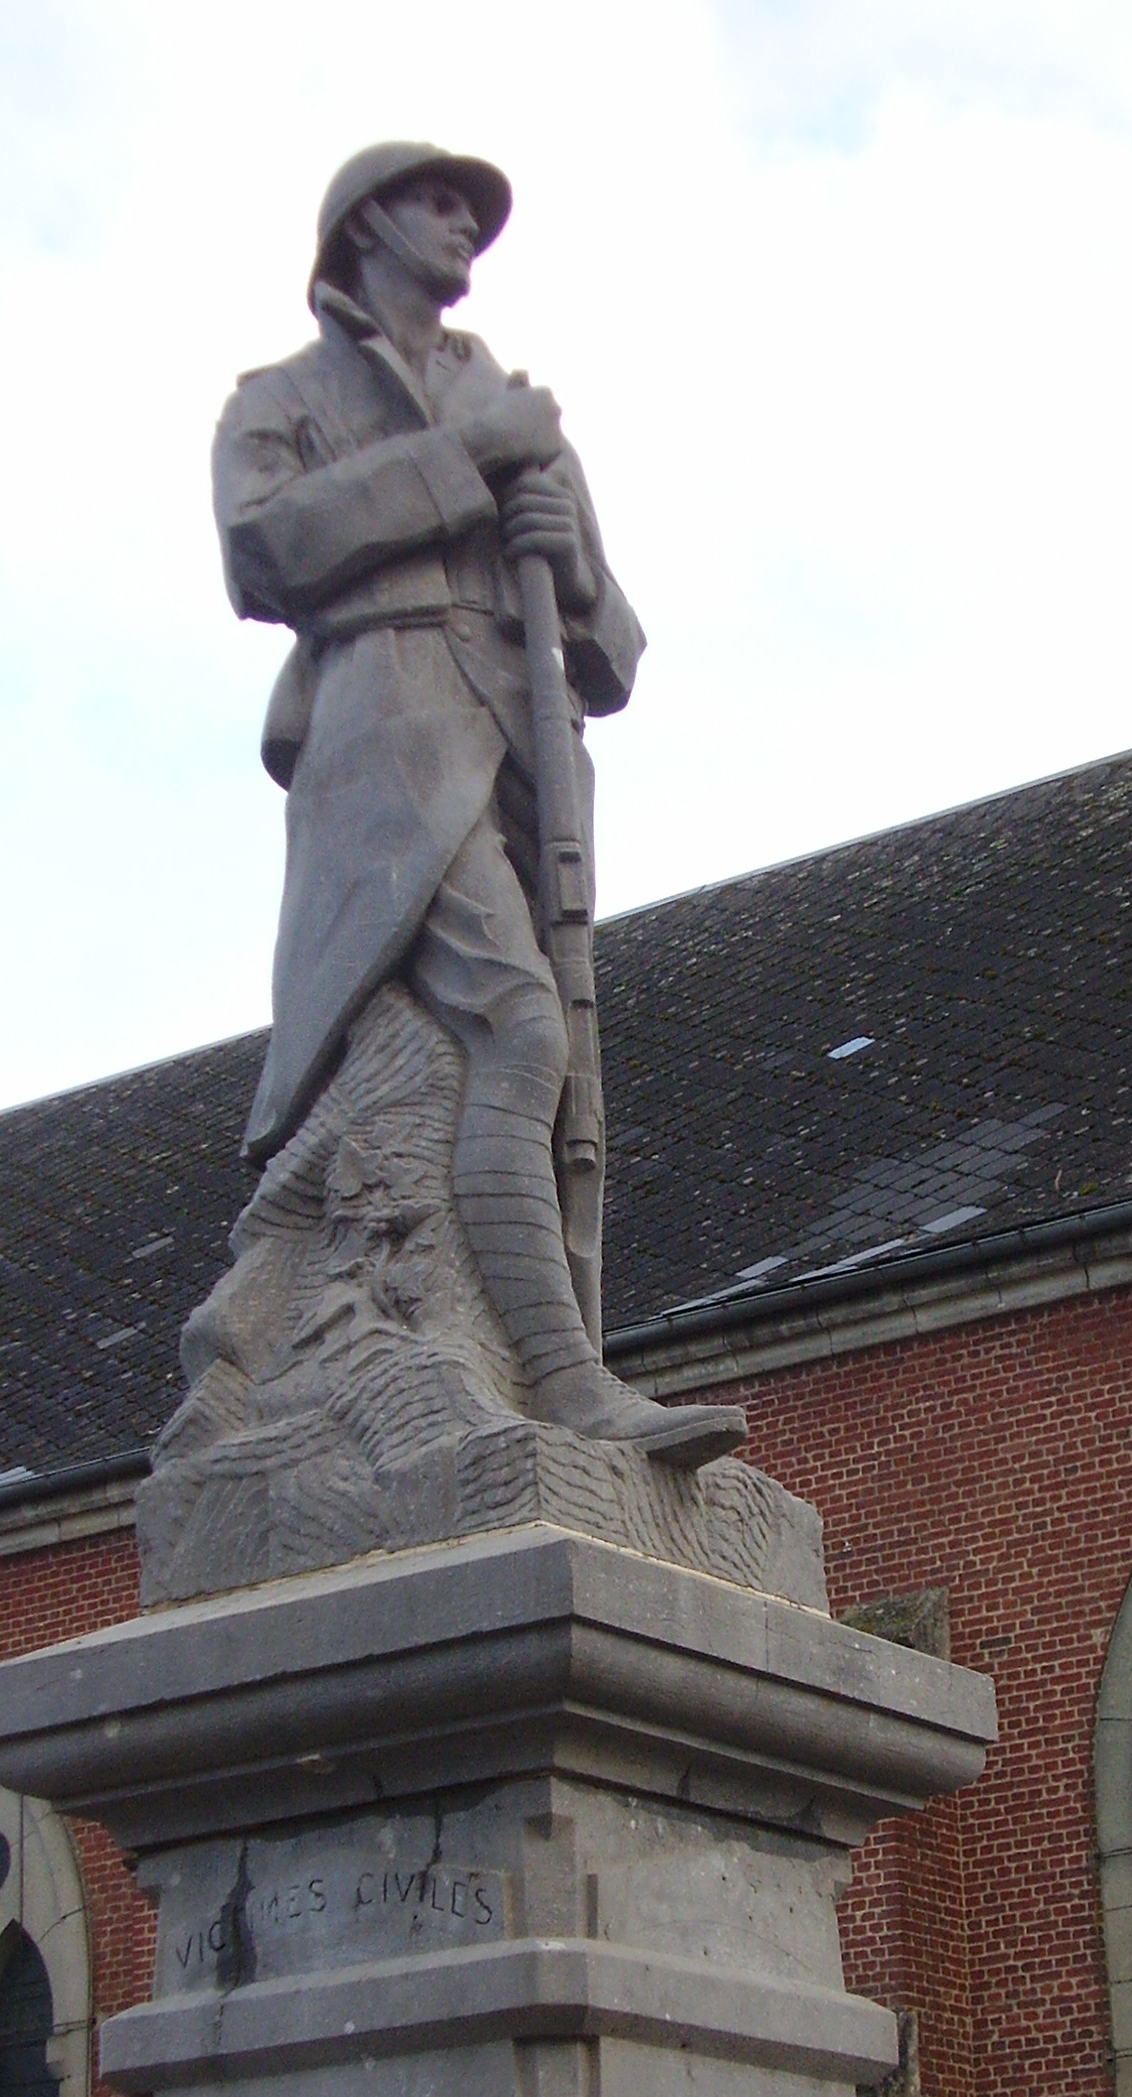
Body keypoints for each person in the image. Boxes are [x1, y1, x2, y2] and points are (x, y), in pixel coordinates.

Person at [213, 141, 744, 1467]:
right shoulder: (285, 397)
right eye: (439, 203)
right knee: (516, 1023)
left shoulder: (507, 398)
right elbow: (265, 552)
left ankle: (537, 1362)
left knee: (539, 1053)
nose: (465, 227)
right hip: (387, 735)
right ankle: (563, 1379)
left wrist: (572, 566)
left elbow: (611, 651)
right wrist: (465, 461)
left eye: (472, 210)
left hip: (521, 732)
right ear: (366, 227)